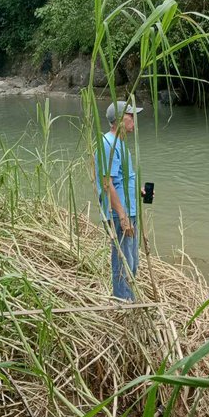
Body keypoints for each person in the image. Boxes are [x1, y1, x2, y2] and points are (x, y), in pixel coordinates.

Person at [95, 100, 143, 301]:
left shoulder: (119, 143)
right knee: (123, 261)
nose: (134, 119)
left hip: (127, 210)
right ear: (119, 120)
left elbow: (120, 178)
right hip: (119, 213)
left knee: (132, 261)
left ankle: (128, 298)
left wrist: (138, 191)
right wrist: (122, 216)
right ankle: (123, 302)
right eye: (130, 115)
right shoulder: (108, 144)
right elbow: (107, 184)